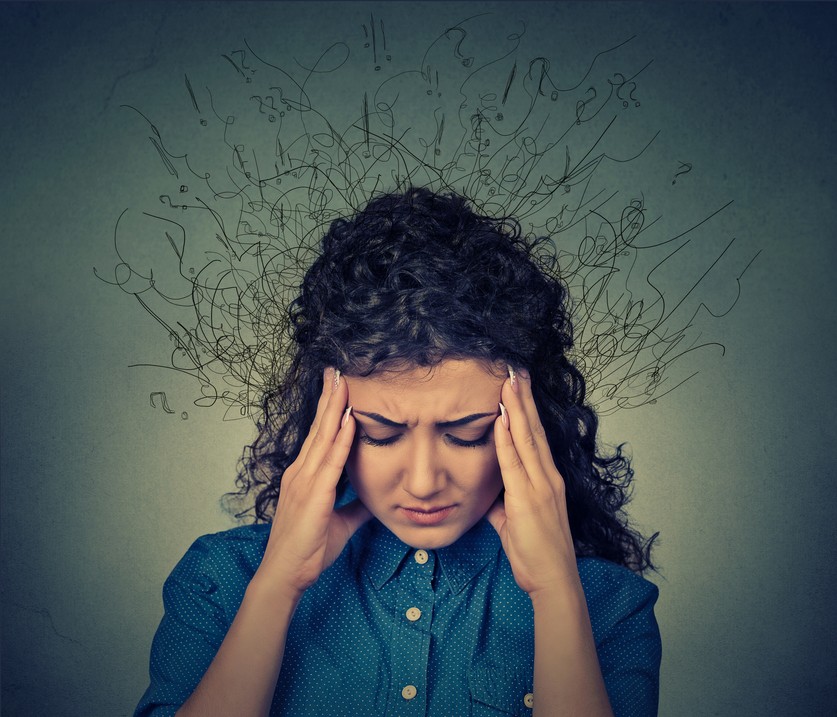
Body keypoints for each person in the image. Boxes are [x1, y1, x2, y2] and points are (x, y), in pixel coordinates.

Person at [135, 187, 661, 717]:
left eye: (468, 433)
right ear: (326, 422)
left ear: (530, 425)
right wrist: (276, 587)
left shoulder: (609, 605)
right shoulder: (221, 578)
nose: (424, 481)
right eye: (380, 434)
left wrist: (554, 593)